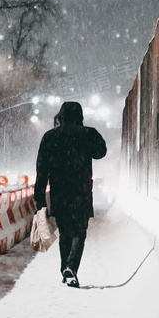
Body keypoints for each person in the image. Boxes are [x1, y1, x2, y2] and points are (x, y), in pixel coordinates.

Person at [33, 100, 107, 286]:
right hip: (81, 192)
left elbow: (41, 171)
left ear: (61, 116)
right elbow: (101, 152)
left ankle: (66, 268)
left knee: (65, 232)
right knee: (79, 232)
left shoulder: (50, 137)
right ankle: (71, 267)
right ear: (80, 116)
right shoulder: (87, 134)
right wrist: (87, 134)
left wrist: (40, 199)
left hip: (60, 193)